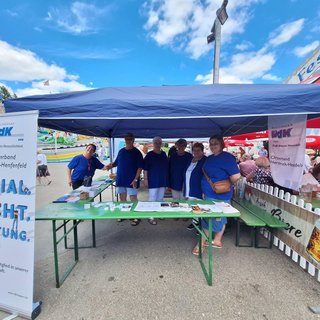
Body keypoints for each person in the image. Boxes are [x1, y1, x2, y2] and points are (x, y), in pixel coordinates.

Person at [192, 135, 240, 255]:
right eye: (211, 143)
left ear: (221, 144)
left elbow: (236, 176)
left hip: (220, 194)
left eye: (215, 143)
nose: (213, 145)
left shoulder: (228, 157)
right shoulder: (210, 158)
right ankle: (217, 240)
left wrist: (225, 184)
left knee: (211, 218)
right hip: (208, 192)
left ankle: (201, 243)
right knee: (217, 217)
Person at [106, 133, 143, 226]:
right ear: (125, 140)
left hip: (132, 180)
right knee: (122, 197)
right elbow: (116, 163)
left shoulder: (137, 152)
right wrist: (110, 165)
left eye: (130, 139)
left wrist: (136, 179)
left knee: (133, 198)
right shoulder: (121, 151)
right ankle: (124, 213)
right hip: (121, 178)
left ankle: (136, 215)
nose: (128, 141)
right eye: (127, 139)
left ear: (133, 140)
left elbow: (140, 167)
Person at [144, 137, 169, 225]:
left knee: (160, 198)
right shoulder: (149, 155)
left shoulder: (163, 154)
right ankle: (151, 216)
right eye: (156, 142)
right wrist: (146, 179)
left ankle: (159, 212)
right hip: (153, 179)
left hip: (162, 180)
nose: (158, 144)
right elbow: (145, 168)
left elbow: (166, 167)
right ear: (153, 144)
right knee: (152, 198)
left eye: (159, 142)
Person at [184, 142, 206, 230]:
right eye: (194, 150)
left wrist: (204, 190)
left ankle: (201, 225)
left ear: (202, 151)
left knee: (199, 207)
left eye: (198, 150)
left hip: (199, 188)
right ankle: (195, 222)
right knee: (192, 206)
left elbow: (206, 176)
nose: (196, 152)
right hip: (189, 187)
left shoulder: (205, 160)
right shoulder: (191, 160)